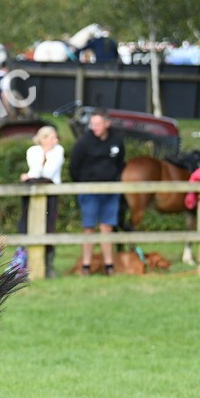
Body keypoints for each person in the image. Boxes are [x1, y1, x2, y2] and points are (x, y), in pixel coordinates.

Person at [69, 109, 125, 276]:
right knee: (89, 227)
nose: (95, 127)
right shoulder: (83, 143)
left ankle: (109, 265)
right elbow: (74, 167)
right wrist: (84, 184)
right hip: (89, 191)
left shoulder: (116, 141)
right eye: (92, 124)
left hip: (110, 191)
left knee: (107, 227)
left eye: (98, 124)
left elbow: (120, 162)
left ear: (107, 123)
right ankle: (86, 265)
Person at [17, 126, 64, 277]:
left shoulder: (58, 150)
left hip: (50, 193)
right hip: (33, 191)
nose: (55, 141)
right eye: (52, 137)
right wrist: (34, 173)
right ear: (43, 138)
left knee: (49, 226)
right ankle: (23, 265)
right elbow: (37, 171)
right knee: (26, 225)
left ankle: (48, 266)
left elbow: (48, 173)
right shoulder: (33, 151)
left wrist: (30, 176)